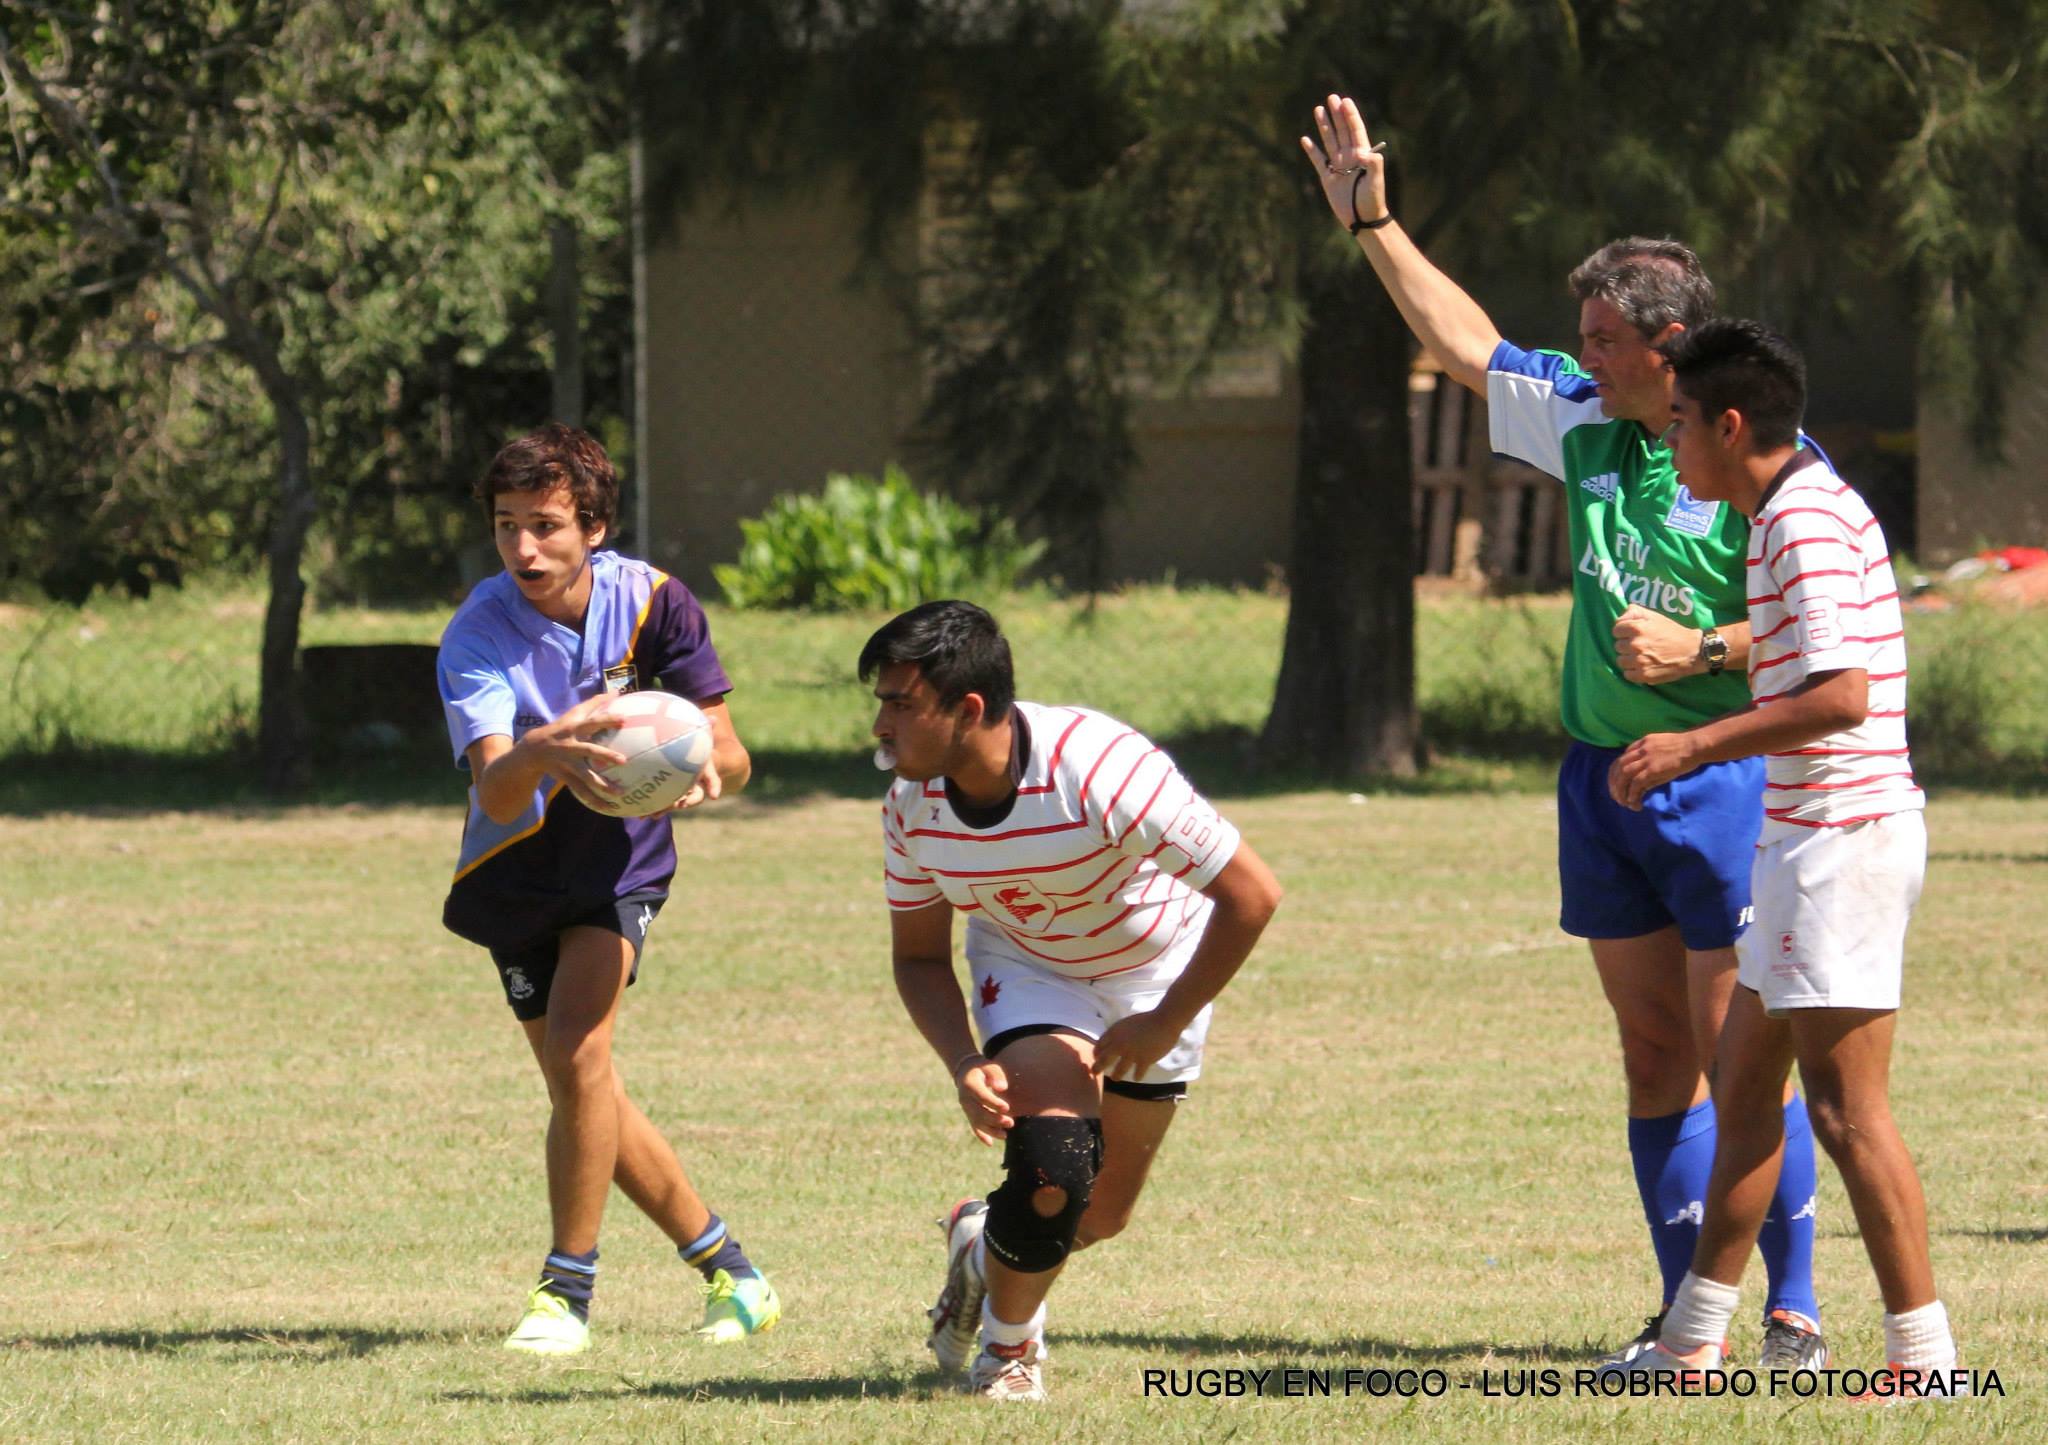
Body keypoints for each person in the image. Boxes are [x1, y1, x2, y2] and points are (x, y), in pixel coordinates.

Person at [1299, 96, 1826, 1368]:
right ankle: (1679, 1315)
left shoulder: (1769, 457)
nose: (1578, 358)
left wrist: (1704, 649)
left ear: (1672, 344)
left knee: (1736, 1049)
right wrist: (1372, 222)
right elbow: (1463, 341)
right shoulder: (1582, 415)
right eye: (1578, 338)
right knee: (1652, 1050)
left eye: (1601, 340)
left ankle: (1793, 1312)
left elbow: (1847, 630)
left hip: (1721, 773)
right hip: (1600, 781)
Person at [1601, 319, 1960, 1395]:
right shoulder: (1774, 511)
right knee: (1746, 1084)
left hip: (1838, 845)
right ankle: (1690, 1341)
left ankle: (1924, 1359)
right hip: (1803, 838)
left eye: (1676, 427)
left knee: (1848, 1113)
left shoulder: (1799, 520)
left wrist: (1692, 742)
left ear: (1726, 422)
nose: (1666, 450)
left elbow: (1841, 695)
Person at [863, 600, 1283, 1402]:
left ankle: (980, 1247)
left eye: (901, 703)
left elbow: (1253, 895)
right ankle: (1009, 1353)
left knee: (1097, 1215)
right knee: (1054, 1167)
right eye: (880, 701)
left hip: (1160, 972)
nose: (881, 725)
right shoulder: (914, 805)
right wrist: (963, 1058)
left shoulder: (1099, 769)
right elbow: (918, 957)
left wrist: (1164, 1020)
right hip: (1030, 971)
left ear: (970, 708)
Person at [436, 423, 778, 1355]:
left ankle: (565, 1294)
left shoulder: (656, 604)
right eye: (506, 525)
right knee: (587, 1093)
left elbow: (733, 750)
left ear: (591, 524)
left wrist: (708, 771)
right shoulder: (477, 631)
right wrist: (549, 745)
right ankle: (732, 1273)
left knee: (582, 1054)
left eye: (544, 524)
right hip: (514, 872)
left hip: (621, 861)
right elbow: (500, 790)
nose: (523, 548)